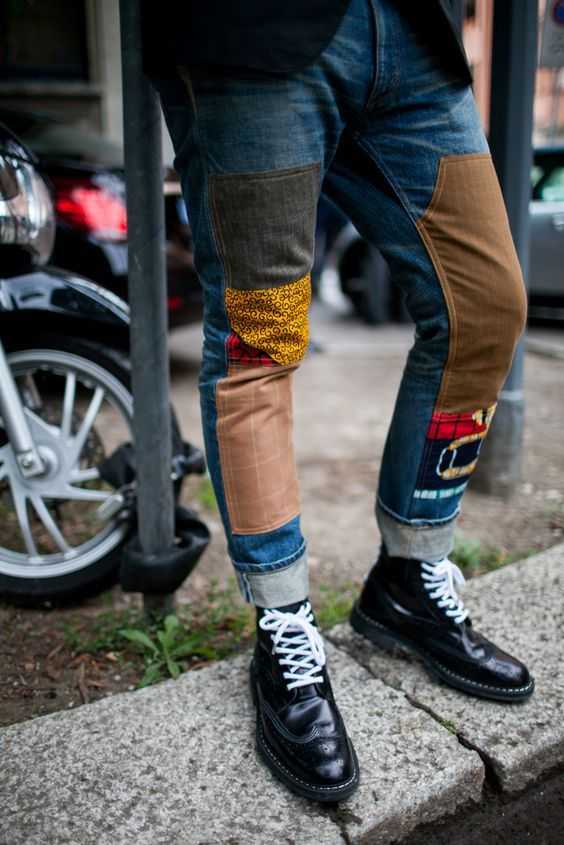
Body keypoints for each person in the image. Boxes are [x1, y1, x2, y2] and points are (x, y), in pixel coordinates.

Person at [146, 0, 535, 803]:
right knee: (261, 339)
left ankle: (409, 578)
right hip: (252, 35)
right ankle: (284, 625)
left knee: (484, 306)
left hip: (416, 37)